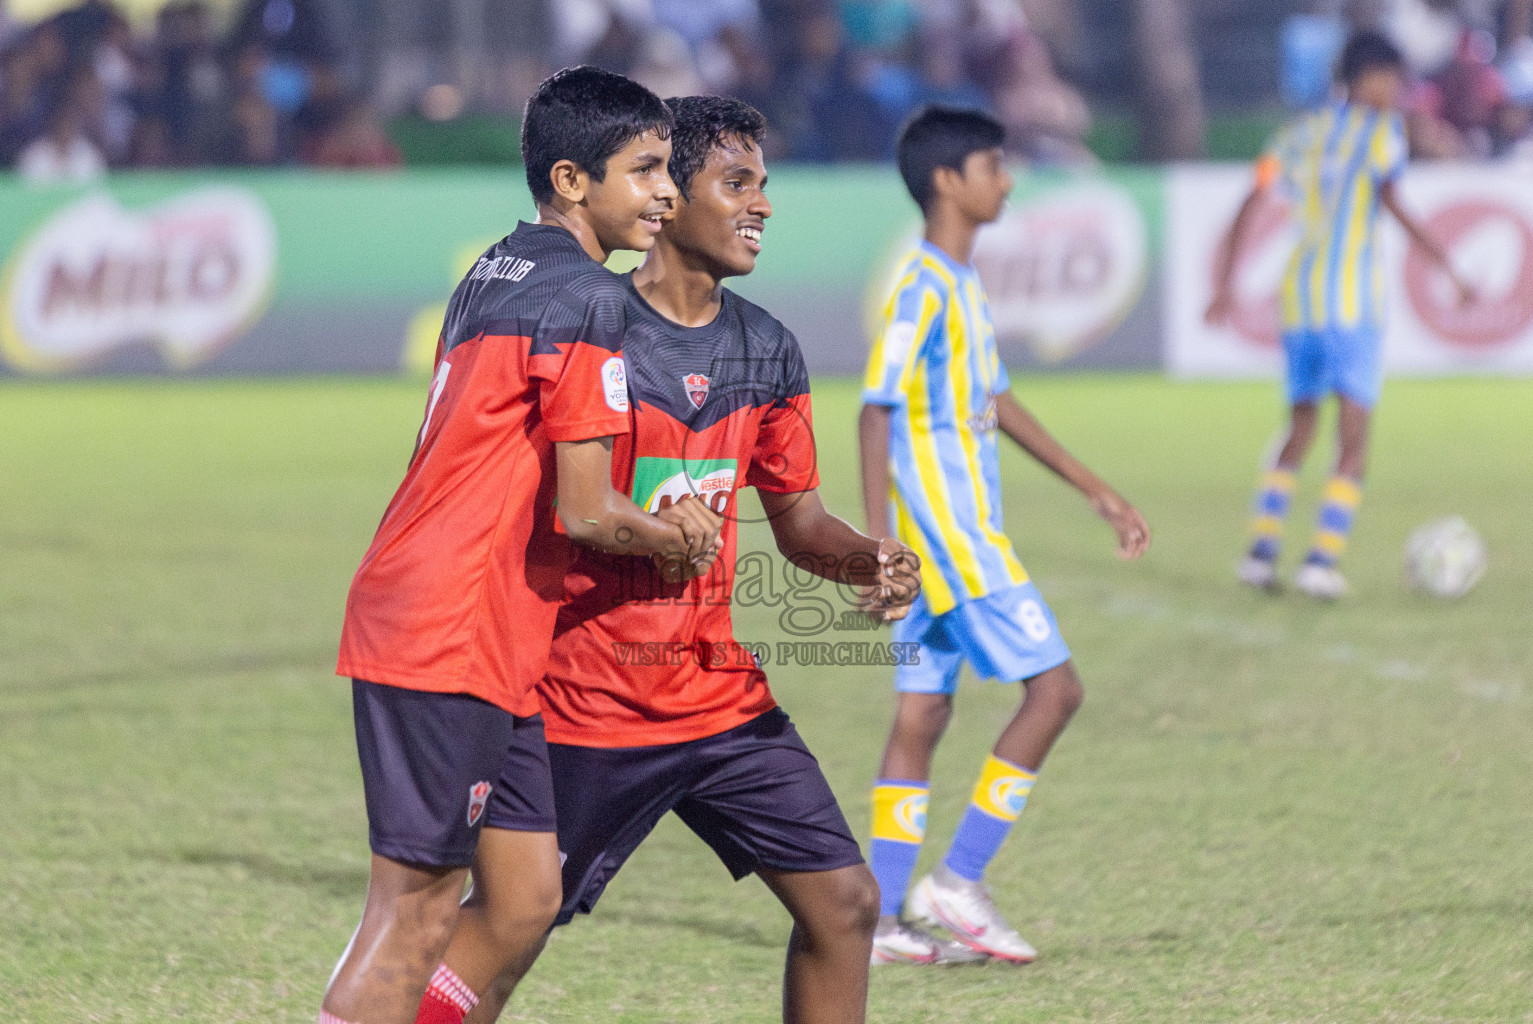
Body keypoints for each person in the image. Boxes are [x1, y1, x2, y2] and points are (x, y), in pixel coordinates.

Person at [411, 94, 922, 1024]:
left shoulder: (766, 349)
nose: (761, 204)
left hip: (721, 704)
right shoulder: (585, 323)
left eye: (764, 185)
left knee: (844, 905)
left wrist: (869, 561)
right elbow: (542, 510)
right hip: (583, 702)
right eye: (736, 184)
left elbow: (798, 523)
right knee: (505, 938)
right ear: (665, 195)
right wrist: (655, 521)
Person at [320, 66, 723, 1024]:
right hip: (448, 622)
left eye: (669, 169)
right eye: (645, 169)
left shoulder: (496, 267)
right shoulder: (586, 296)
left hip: (485, 622)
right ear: (573, 181)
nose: (667, 191)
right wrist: (671, 537)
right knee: (413, 910)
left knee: (526, 895)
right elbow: (585, 512)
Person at [858, 104, 1150, 965]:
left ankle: (875, 922)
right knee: (1055, 692)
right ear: (949, 180)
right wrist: (878, 547)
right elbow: (874, 408)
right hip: (952, 543)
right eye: (993, 164)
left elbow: (995, 401)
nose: (1008, 178)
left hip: (939, 543)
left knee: (921, 714)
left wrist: (1091, 486)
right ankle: (958, 881)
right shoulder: (920, 286)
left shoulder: (960, 282)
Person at [1207, 31, 1473, 600]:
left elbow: (1250, 199)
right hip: (1352, 306)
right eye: (1392, 80)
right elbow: (1394, 203)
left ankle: (1261, 551)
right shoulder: (1381, 134)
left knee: (1301, 426)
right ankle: (1321, 561)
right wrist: (1447, 267)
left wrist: (1223, 284)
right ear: (1366, 77)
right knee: (1353, 439)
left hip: (1299, 302)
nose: (1397, 92)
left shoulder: (1296, 135)